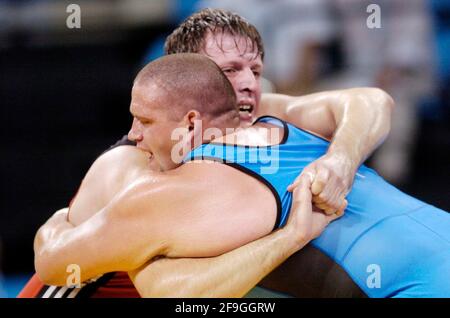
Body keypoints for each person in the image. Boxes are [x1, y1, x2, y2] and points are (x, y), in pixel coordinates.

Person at [19, 8, 394, 298]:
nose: (249, 83)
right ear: (185, 78)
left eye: (255, 68)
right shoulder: (136, 166)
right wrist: (50, 237)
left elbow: (368, 101)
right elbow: (161, 289)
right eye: (229, 70)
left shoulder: (245, 121)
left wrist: (341, 159)